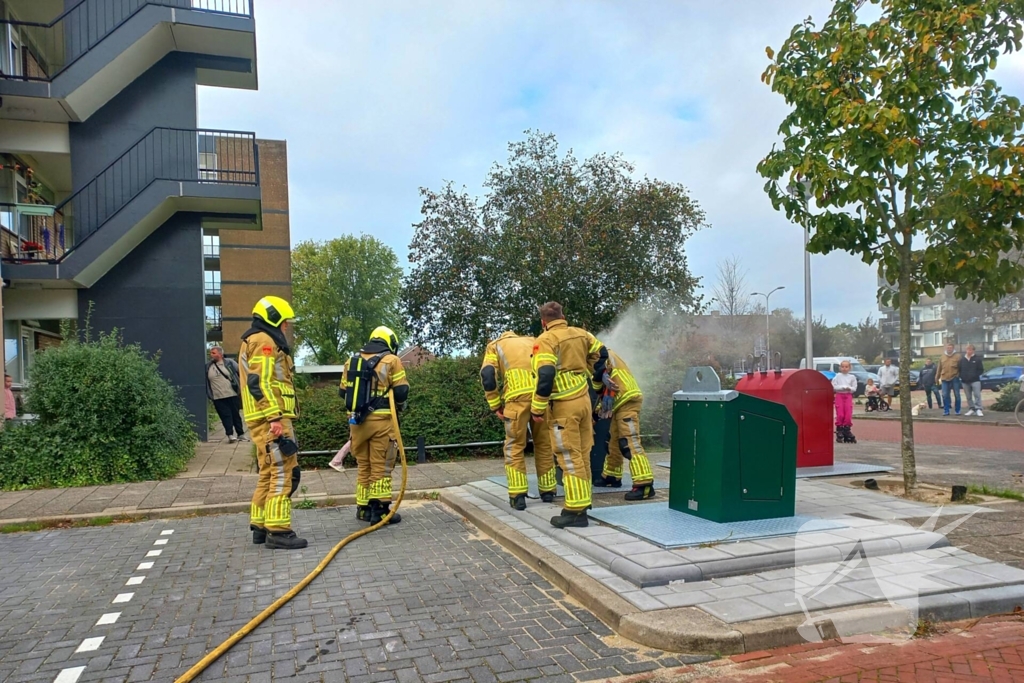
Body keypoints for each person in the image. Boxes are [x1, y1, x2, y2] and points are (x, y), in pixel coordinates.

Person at [531, 301, 610, 529]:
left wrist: (537, 408)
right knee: (583, 454)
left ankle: (575, 511)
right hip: (584, 400)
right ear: (563, 315)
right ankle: (583, 502)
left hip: (564, 405)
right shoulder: (581, 334)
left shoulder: (545, 340)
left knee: (568, 456)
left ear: (543, 321)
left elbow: (545, 375)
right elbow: (602, 354)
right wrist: (597, 382)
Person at [240, 296, 306, 550]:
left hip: (261, 418)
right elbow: (261, 382)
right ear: (273, 317)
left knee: (267, 472)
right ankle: (278, 531)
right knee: (283, 472)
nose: (286, 326)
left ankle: (259, 526)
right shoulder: (264, 342)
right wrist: (275, 418)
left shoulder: (254, 339)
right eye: (285, 321)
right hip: (272, 419)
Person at [340, 326, 409, 525]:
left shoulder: (351, 361)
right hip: (382, 422)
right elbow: (402, 391)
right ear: (390, 342)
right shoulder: (392, 360)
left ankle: (363, 509)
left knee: (364, 465)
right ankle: (379, 511)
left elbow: (343, 393)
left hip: (356, 422)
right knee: (381, 465)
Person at [481, 331, 556, 510]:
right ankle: (548, 492)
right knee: (544, 444)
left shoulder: (495, 345)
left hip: (515, 399)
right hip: (540, 397)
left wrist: (495, 404)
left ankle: (518, 496)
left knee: (514, 446)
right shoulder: (535, 341)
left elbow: (488, 374)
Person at [593, 348, 656, 501]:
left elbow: (599, 383)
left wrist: (595, 411)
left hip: (626, 399)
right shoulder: (601, 352)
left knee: (629, 442)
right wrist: (598, 410)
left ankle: (644, 484)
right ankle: (611, 476)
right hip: (620, 400)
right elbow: (605, 386)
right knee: (613, 441)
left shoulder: (596, 354)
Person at [206, 346, 248, 443]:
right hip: (217, 397)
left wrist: (242, 385)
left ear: (220, 354)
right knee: (225, 415)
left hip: (232, 394)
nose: (211, 355)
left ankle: (241, 434)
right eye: (210, 353)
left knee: (235, 415)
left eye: (213, 353)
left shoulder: (229, 363)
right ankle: (230, 435)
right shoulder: (208, 366)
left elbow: (241, 371)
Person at [832, 360, 858, 443]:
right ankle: (839, 429)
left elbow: (854, 388)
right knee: (840, 414)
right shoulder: (837, 376)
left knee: (848, 413)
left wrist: (849, 388)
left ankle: (847, 429)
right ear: (840, 368)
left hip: (848, 396)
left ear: (849, 368)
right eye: (842, 366)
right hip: (839, 395)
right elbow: (834, 387)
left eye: (846, 367)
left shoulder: (852, 377)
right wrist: (842, 387)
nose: (844, 368)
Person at [959, 344, 985, 417]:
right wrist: (962, 376)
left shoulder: (977, 359)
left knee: (977, 395)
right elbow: (959, 369)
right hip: (965, 381)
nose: (969, 351)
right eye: (967, 349)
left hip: (975, 380)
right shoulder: (962, 360)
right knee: (968, 396)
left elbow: (981, 370)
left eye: (970, 350)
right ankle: (972, 408)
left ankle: (978, 409)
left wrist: (974, 375)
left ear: (973, 350)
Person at [939, 341, 962, 416]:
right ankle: (946, 410)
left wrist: (958, 375)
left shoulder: (958, 356)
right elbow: (939, 368)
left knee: (957, 395)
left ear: (953, 348)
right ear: (946, 348)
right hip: (944, 378)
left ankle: (957, 410)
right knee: (945, 395)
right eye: (948, 348)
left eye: (950, 348)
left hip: (954, 378)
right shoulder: (942, 357)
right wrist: (936, 378)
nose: (949, 349)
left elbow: (961, 367)